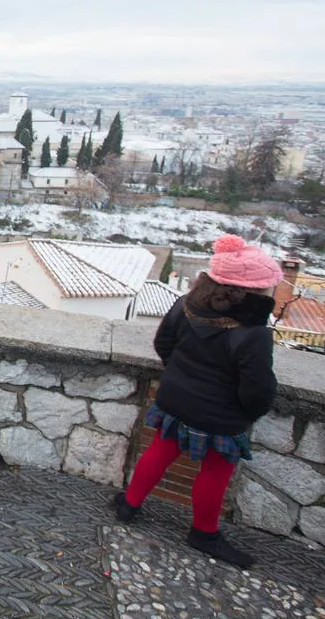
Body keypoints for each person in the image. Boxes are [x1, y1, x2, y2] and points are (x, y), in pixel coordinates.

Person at [113, 234, 283, 569]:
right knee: (215, 472)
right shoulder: (254, 335)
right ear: (254, 290)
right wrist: (246, 412)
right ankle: (204, 533)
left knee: (160, 451)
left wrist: (181, 375)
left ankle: (128, 505)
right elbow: (258, 389)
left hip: (175, 400)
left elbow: (164, 344)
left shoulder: (187, 305)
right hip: (221, 417)